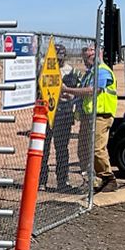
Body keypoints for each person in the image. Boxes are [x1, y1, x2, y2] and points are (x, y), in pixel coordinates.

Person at [62, 43, 118, 193]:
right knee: (84, 151)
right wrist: (71, 96)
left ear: (99, 53)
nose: (88, 56)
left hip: (101, 115)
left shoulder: (102, 71)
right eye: (85, 53)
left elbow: (93, 91)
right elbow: (83, 94)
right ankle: (91, 181)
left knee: (97, 149)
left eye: (91, 52)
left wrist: (68, 89)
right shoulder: (89, 74)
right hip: (88, 116)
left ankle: (109, 179)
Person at [40, 60, 82, 191]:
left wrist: (70, 96)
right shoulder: (44, 70)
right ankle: (41, 181)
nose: (59, 60)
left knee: (62, 150)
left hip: (64, 115)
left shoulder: (72, 72)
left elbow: (78, 92)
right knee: (43, 150)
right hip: (46, 114)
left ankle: (62, 181)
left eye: (61, 57)